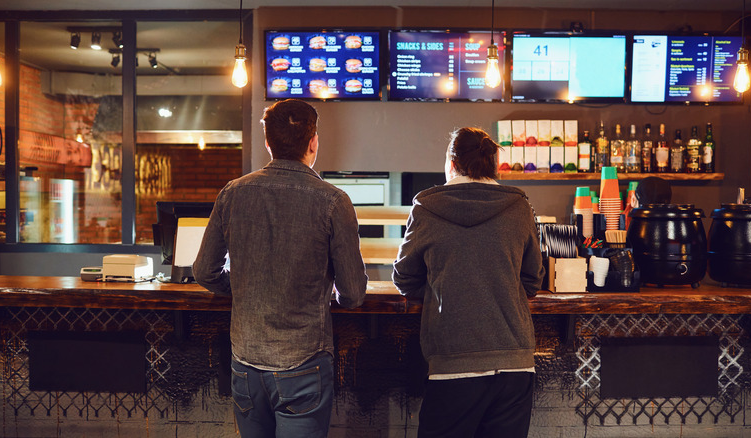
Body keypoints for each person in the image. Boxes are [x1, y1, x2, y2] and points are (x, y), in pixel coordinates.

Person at [192, 99, 368, 438]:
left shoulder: (232, 193)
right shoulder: (333, 201)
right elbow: (354, 294)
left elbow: (204, 272)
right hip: (304, 362)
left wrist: (242, 286)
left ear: (268, 142)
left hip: (246, 362)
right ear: (313, 142)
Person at [392, 127, 544, 438]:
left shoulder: (426, 207)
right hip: (514, 364)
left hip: (452, 362)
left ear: (451, 163)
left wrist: (441, 290)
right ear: (495, 165)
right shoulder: (518, 206)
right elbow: (532, 279)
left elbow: (404, 278)